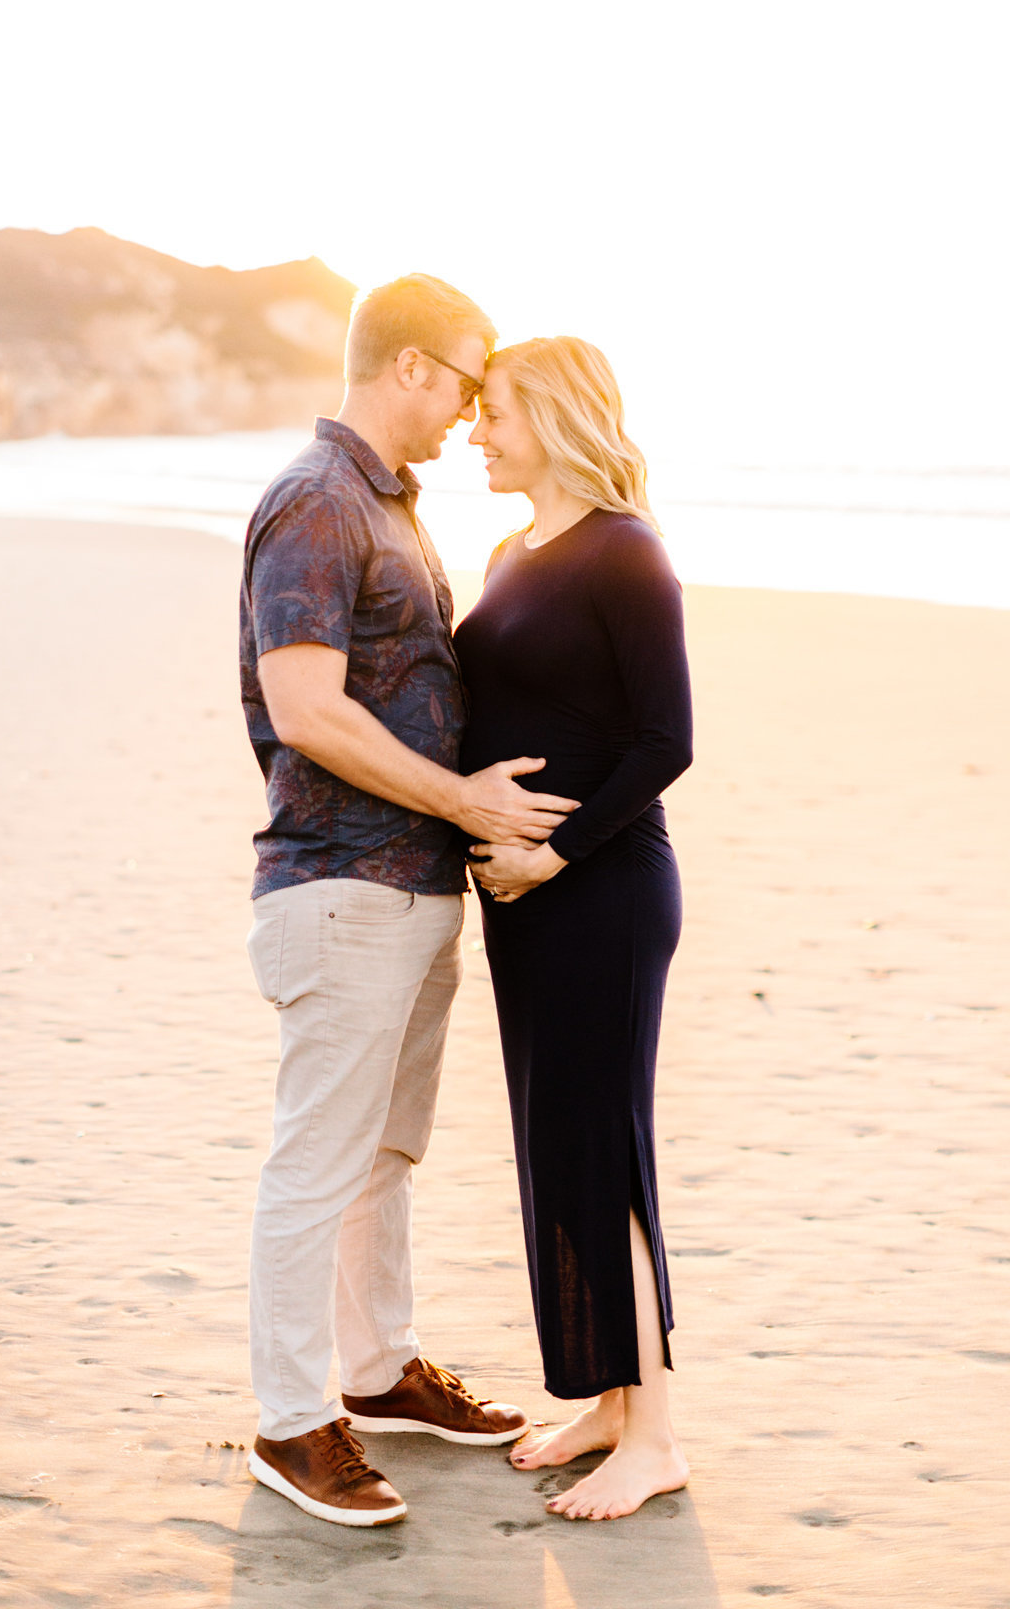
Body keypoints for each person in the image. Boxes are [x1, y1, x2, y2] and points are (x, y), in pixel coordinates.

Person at [238, 276, 581, 1528]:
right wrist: (465, 801)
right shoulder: (317, 503)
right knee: (317, 1164)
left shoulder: (390, 508)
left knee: (384, 1154)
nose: (474, 412)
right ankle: (291, 1424)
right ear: (412, 370)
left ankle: (377, 1375)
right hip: (339, 888)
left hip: (412, 891)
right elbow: (307, 708)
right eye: (470, 384)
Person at [453, 335, 694, 1521]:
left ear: (550, 415)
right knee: (553, 1145)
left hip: (601, 894)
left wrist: (550, 852)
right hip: (525, 904)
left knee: (603, 1145)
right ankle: (606, 1397)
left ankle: (653, 1433)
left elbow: (667, 741)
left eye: (494, 411)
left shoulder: (626, 553)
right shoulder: (508, 551)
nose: (475, 431)